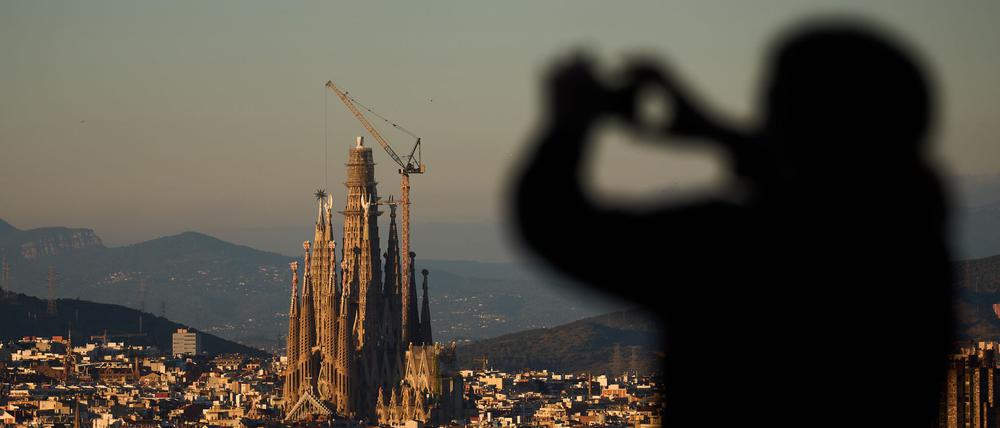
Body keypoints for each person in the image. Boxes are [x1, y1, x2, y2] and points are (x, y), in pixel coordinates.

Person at [513, 20, 951, 427]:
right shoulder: (912, 241)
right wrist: (716, 132)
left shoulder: (740, 252)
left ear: (786, 119)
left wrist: (569, 123)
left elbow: (556, 223)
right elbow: (839, 183)